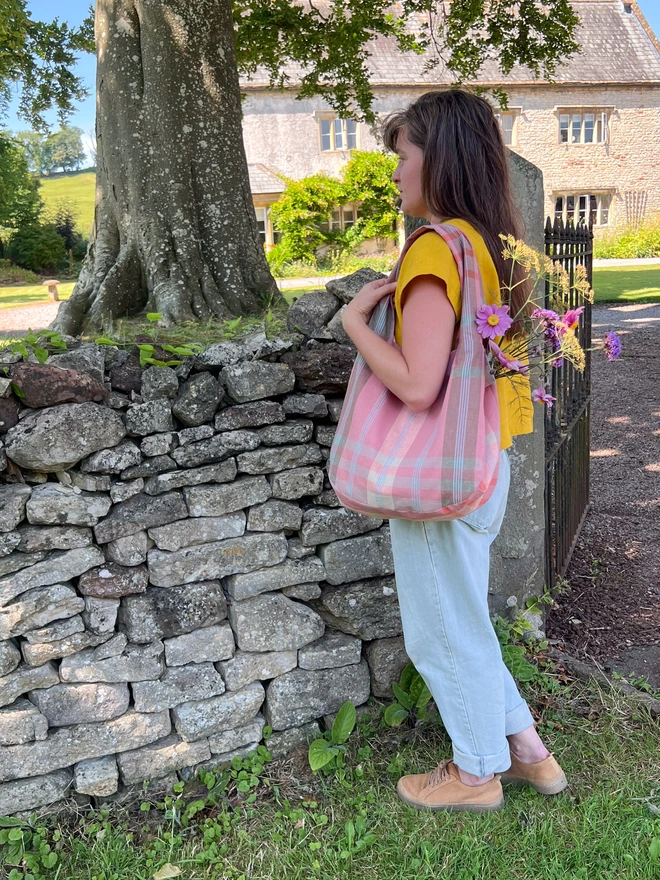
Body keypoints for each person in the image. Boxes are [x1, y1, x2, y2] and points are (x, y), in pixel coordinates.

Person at [341, 89, 567, 813]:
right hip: (480, 463)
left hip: (436, 475)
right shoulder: (487, 246)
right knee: (464, 620)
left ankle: (475, 776)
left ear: (437, 158)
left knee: (439, 635)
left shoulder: (436, 249)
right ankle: (529, 754)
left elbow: (414, 383)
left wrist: (355, 322)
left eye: (402, 156)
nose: (396, 173)